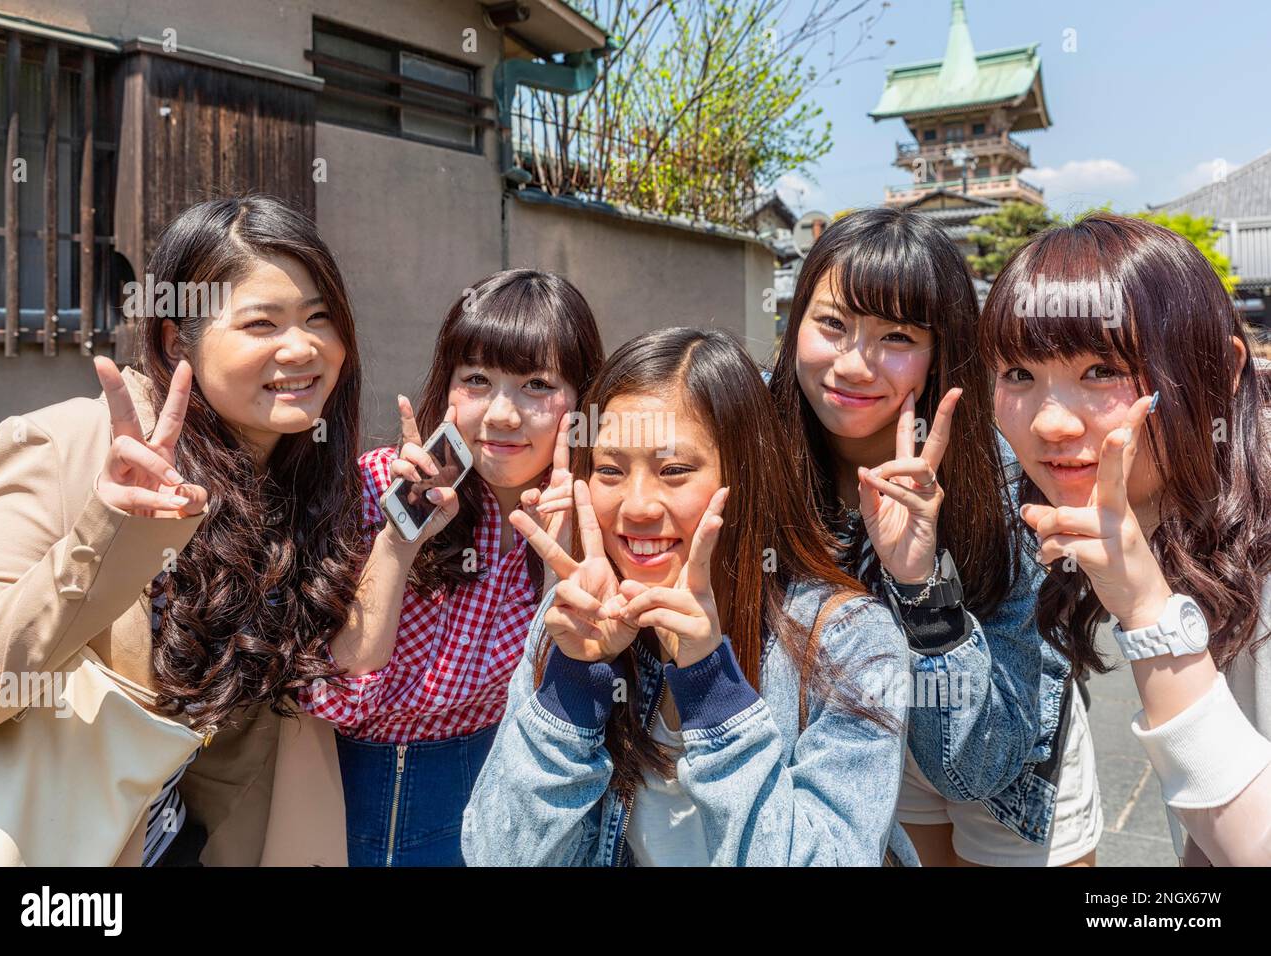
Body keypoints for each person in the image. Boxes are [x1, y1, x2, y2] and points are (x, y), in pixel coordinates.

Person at [0, 195, 360, 865]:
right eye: (262, 322)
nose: (301, 347)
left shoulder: (300, 487)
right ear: (178, 340)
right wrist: (109, 532)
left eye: (319, 317)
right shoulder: (61, 448)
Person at [462, 327, 912, 866]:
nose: (637, 507)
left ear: (746, 476)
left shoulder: (850, 643)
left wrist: (710, 687)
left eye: (673, 470)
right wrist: (574, 684)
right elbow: (497, 855)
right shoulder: (573, 625)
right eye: (609, 470)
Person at [768, 207, 1101, 866]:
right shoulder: (756, 446)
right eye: (832, 324)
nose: (855, 365)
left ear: (942, 350)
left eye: (896, 336)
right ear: (795, 321)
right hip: (871, 728)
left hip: (1004, 739)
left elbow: (973, 769)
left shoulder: (998, 479)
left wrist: (920, 584)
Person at [981, 211, 1271, 866]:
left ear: (1221, 369)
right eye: (1019, 375)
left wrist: (1148, 614)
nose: (1051, 423)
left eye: (1103, 370)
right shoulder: (1165, 525)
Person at [300, 270, 605, 866]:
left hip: (487, 793)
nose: (502, 415)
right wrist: (400, 537)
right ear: (447, 388)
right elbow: (336, 696)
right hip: (341, 786)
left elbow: (558, 708)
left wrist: (556, 568)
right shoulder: (375, 486)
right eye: (478, 380)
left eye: (537, 384)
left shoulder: (595, 513)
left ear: (582, 398)